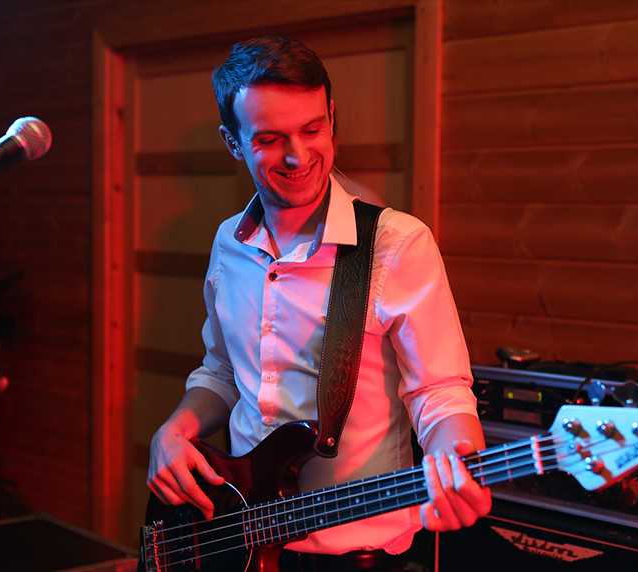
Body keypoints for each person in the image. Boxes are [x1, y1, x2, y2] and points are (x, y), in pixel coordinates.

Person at [147, 36, 491, 572]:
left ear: (332, 118)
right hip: (239, 540)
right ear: (233, 143)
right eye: (270, 139)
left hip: (355, 554)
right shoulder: (228, 243)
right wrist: (174, 429)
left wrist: (456, 459)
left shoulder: (396, 244)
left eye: (312, 129)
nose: (298, 155)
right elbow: (222, 371)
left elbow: (440, 392)